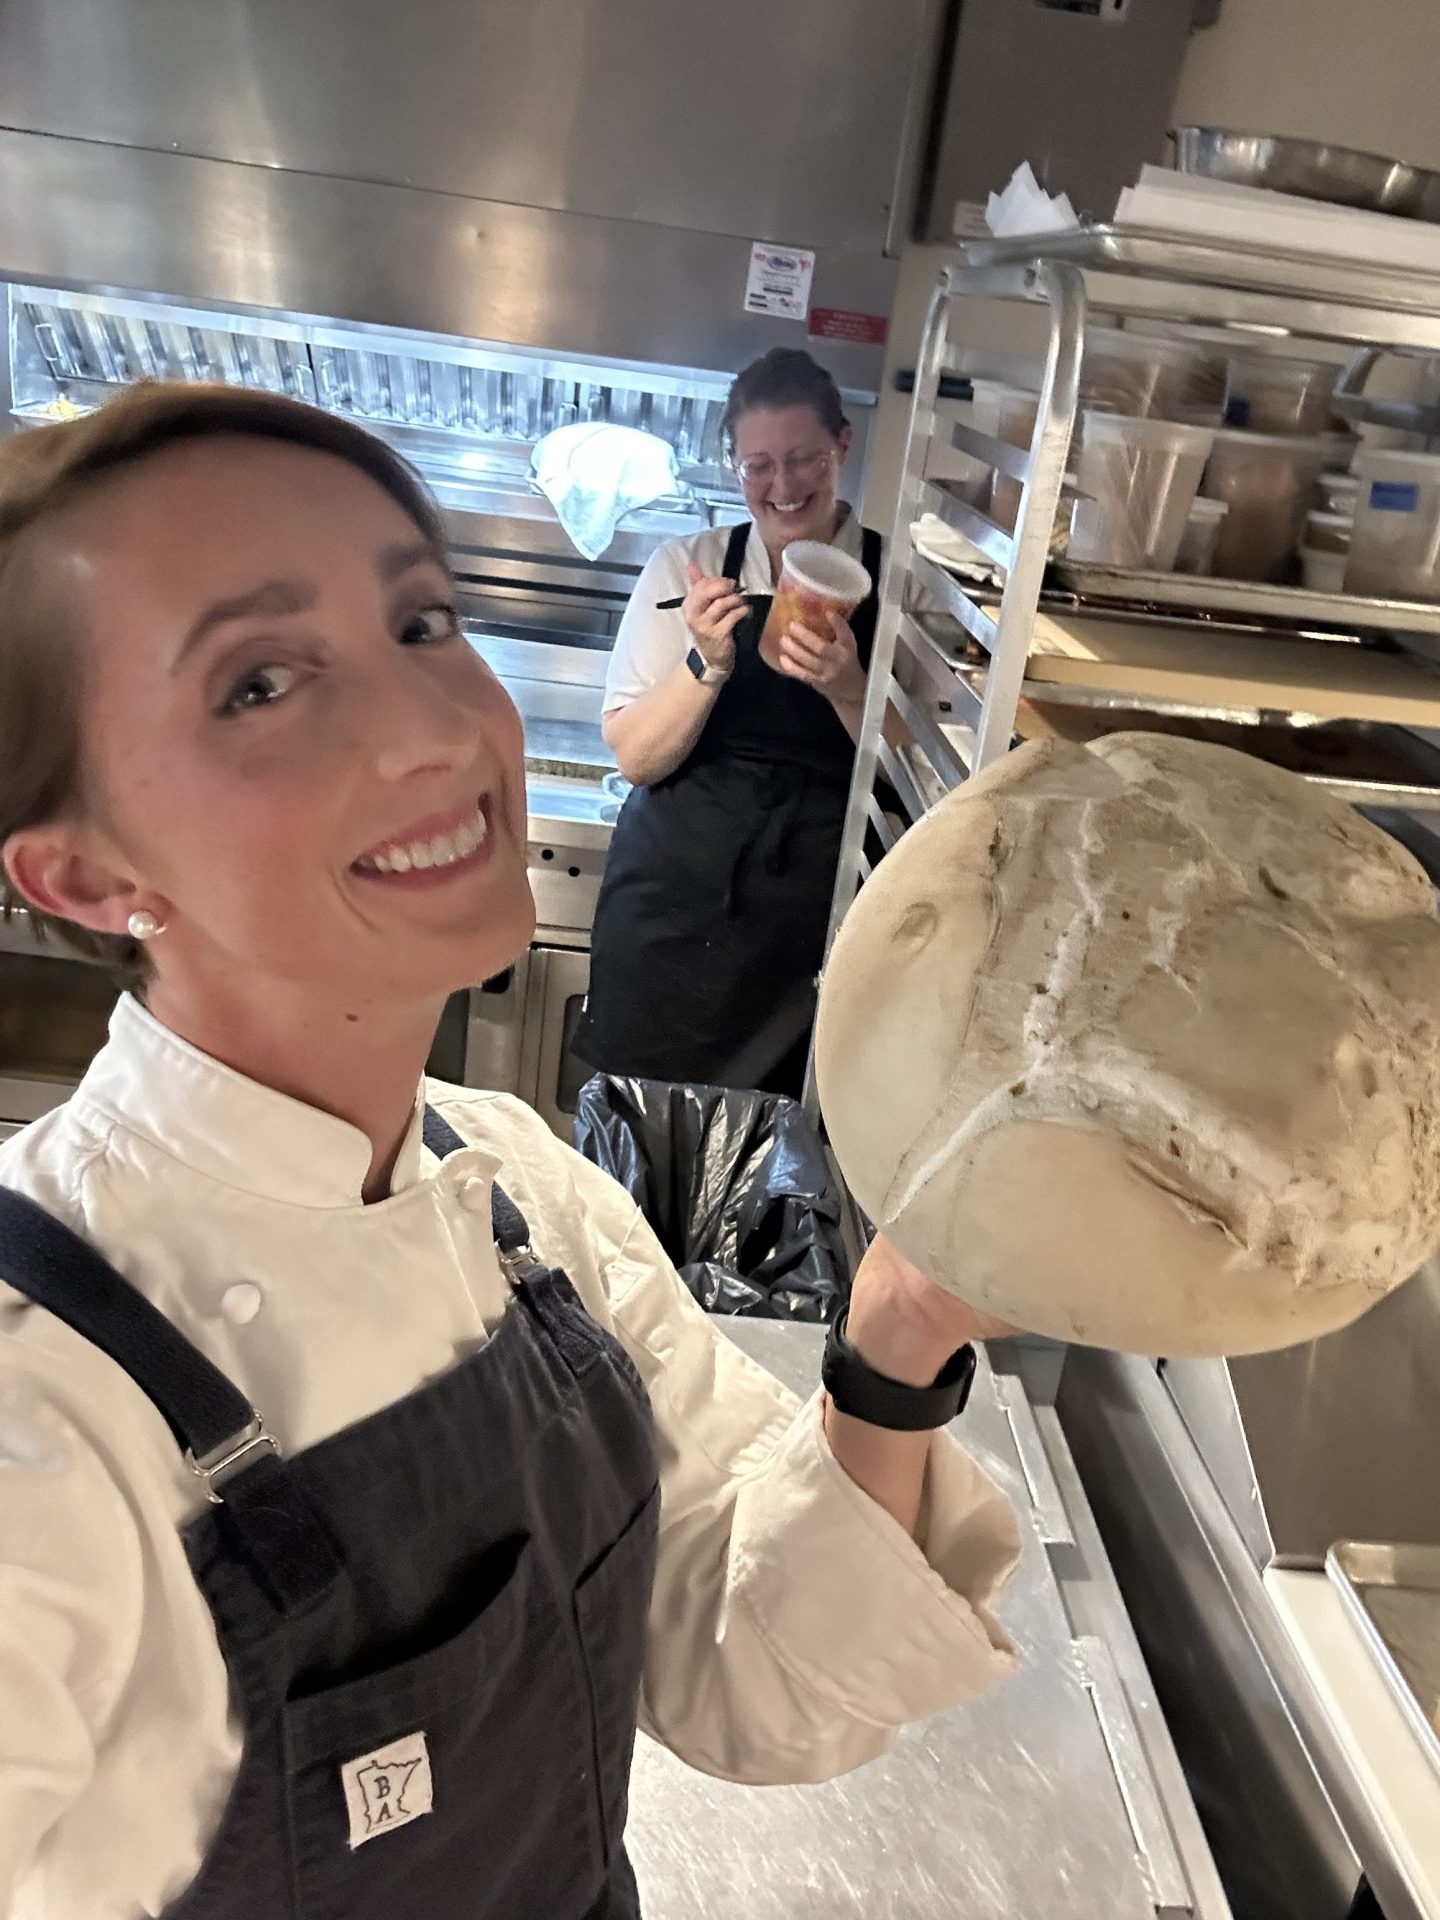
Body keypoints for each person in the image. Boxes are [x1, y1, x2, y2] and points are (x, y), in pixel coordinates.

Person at [0, 384, 1020, 1920]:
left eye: (421, 625)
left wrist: (903, 1330)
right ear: (82, 872)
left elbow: (754, 1665)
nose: (436, 726)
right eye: (261, 682)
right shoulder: (45, 1404)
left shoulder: (516, 1191)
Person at [574, 347, 883, 1099]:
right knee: (636, 1164)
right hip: (672, 919)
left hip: (813, 933)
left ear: (843, 445)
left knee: (777, 1179)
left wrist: (850, 689)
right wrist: (706, 662)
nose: (782, 486)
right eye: (757, 466)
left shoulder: (900, 587)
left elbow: (928, 785)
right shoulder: (690, 569)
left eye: (803, 458)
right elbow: (636, 759)